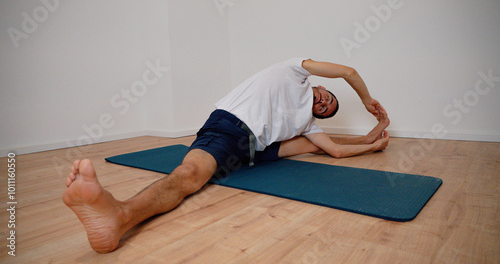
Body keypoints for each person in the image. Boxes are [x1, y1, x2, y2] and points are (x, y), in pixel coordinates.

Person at [63, 58, 390, 253]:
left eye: (327, 110)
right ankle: (120, 216)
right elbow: (348, 71)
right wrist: (367, 100)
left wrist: (369, 142)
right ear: (319, 87)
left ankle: (120, 216)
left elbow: (334, 149)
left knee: (313, 145)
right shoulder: (294, 70)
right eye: (325, 98)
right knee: (189, 176)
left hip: (251, 149)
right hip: (232, 127)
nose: (323, 104)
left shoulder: (307, 121)